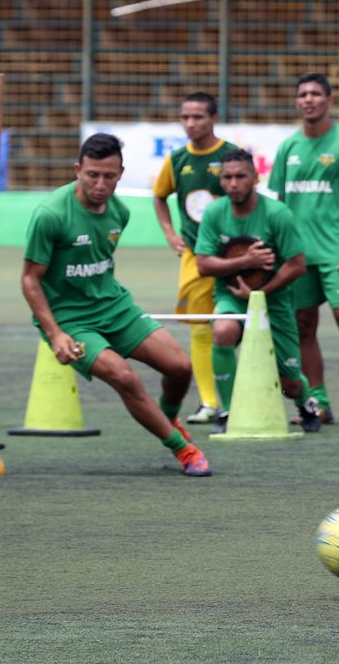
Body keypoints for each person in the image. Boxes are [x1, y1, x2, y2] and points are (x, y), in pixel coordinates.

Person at [21, 133, 211, 477]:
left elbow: (98, 264)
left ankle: (166, 419)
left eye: (109, 176)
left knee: (180, 368)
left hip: (113, 306)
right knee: (126, 378)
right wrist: (55, 334)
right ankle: (183, 450)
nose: (100, 183)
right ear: (78, 169)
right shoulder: (50, 214)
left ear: (120, 173)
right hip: (71, 321)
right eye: (92, 174)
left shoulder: (119, 212)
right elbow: (30, 279)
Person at [268, 72, 339, 427]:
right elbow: (280, 203)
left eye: (316, 93)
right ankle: (318, 403)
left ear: (329, 100)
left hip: (336, 251)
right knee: (304, 326)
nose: (308, 99)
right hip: (298, 255)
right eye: (302, 94)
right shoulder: (288, 147)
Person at [193, 149, 321, 434]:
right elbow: (203, 264)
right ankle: (227, 412)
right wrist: (245, 262)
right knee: (222, 330)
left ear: (254, 178)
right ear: (221, 181)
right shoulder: (214, 212)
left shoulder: (277, 214)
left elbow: (296, 265)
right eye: (227, 177)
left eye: (241, 176)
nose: (234, 183)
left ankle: (305, 402)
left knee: (288, 381)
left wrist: (259, 292)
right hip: (230, 296)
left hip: (274, 301)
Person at [152, 92, 241, 425]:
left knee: (239, 327)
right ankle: (209, 402)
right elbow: (159, 197)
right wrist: (170, 234)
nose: (191, 123)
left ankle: (245, 394)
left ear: (213, 118)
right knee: (201, 329)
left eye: (198, 117)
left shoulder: (231, 157)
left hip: (236, 253)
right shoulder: (176, 160)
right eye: (185, 117)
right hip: (195, 255)